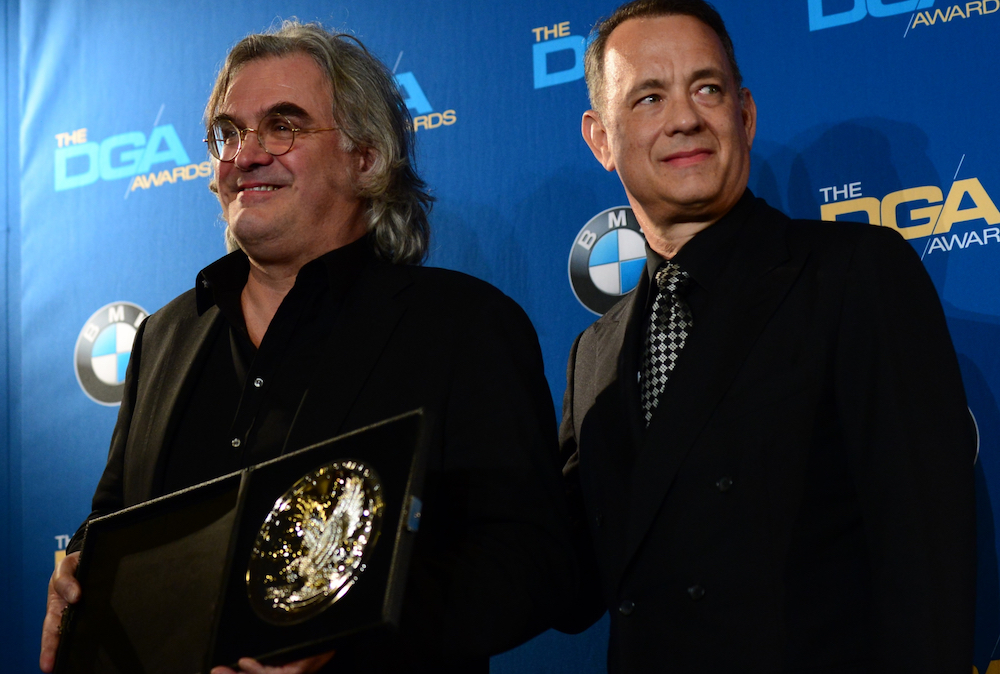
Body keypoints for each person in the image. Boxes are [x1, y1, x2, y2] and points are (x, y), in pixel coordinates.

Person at [40, 21, 577, 674]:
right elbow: (111, 525)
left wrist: (344, 635)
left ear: (367, 155)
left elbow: (530, 562)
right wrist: (78, 580)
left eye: (282, 125)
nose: (245, 155)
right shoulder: (164, 338)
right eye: (229, 133)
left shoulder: (463, 327)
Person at [559, 0, 977, 672]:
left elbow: (927, 552)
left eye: (707, 88)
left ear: (744, 115)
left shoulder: (853, 275)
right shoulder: (593, 356)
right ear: (601, 139)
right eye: (648, 98)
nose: (685, 118)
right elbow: (569, 583)